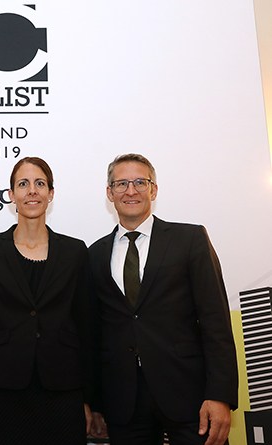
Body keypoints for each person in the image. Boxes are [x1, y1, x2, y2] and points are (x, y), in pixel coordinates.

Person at [88, 153, 238, 445]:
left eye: (140, 182)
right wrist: (95, 403)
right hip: (124, 403)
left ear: (153, 189)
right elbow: (95, 333)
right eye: (121, 184)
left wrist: (220, 395)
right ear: (109, 192)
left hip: (191, 396)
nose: (130, 191)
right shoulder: (94, 254)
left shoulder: (190, 239)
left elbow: (216, 321)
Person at [0, 157, 92, 444]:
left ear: (51, 193)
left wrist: (90, 399)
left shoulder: (75, 252)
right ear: (11, 195)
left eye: (40, 183)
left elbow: (87, 327)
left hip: (64, 389)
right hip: (3, 390)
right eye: (23, 184)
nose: (32, 190)